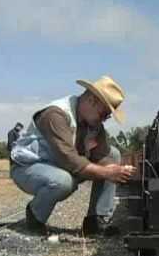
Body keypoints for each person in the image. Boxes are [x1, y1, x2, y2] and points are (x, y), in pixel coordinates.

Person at [10, 76, 136, 236]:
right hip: (28, 167)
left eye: (107, 116)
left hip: (60, 165)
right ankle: (35, 215)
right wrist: (108, 173)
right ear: (92, 100)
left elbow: (102, 156)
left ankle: (96, 220)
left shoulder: (94, 125)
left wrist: (117, 169)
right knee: (62, 181)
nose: (104, 119)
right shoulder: (55, 115)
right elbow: (70, 160)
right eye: (104, 113)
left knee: (114, 154)